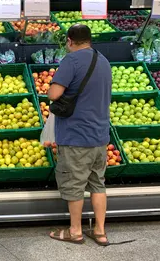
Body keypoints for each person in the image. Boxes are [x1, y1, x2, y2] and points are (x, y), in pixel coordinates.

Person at [48, 24, 112, 246]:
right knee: (98, 183)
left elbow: (55, 94)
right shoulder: (103, 61)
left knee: (74, 184)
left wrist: (50, 89)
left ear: (69, 40)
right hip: (100, 135)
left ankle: (75, 231)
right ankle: (100, 231)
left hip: (76, 135)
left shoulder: (71, 60)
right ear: (89, 39)